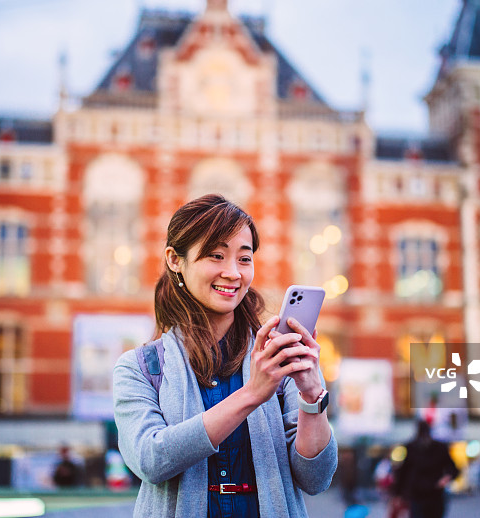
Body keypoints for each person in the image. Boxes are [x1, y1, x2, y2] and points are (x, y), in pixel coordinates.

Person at [113, 194, 337, 518]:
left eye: (244, 259)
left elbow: (315, 479)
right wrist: (251, 394)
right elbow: (150, 459)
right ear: (175, 260)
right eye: (216, 255)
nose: (233, 273)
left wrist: (312, 394)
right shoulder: (140, 368)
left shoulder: (275, 361)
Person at [393, 420, 459, 518]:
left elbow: (453, 468)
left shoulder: (439, 448)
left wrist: (447, 477)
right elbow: (402, 472)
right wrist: (398, 494)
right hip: (418, 494)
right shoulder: (409, 448)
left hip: (434, 494)